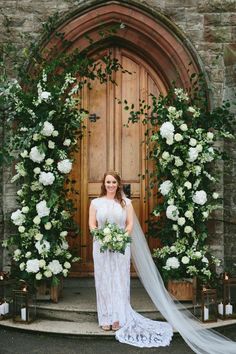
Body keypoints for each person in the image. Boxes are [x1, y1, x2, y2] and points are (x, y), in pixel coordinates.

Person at [89, 171, 236, 352]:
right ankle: (105, 318)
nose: (111, 185)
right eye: (108, 182)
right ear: (104, 184)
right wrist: (103, 238)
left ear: (118, 184)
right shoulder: (95, 203)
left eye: (113, 182)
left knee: (120, 281)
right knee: (104, 281)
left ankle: (118, 317)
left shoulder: (126, 203)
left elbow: (129, 225)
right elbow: (92, 225)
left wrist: (119, 239)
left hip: (121, 247)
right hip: (101, 247)